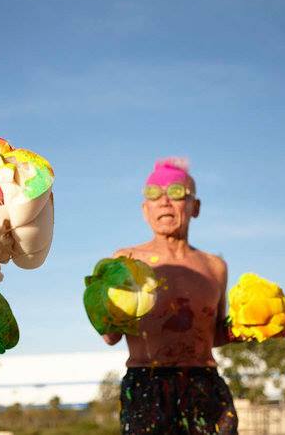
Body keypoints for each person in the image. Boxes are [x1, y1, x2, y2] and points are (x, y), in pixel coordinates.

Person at [104, 158, 238, 435]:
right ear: (145, 209)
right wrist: (101, 309)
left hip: (205, 384)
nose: (164, 201)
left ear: (195, 207)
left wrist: (255, 327)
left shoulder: (214, 266)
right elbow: (111, 335)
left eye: (176, 192)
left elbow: (215, 335)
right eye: (154, 194)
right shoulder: (125, 260)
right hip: (146, 385)